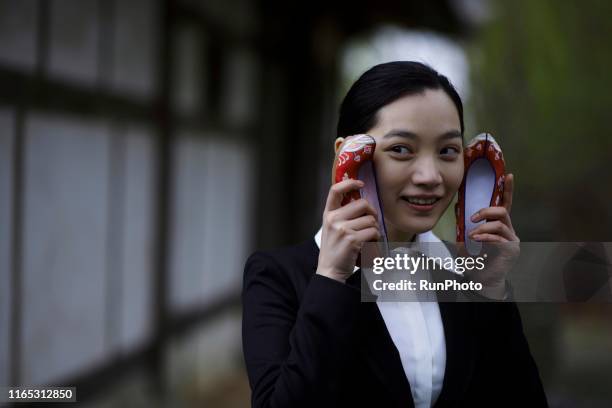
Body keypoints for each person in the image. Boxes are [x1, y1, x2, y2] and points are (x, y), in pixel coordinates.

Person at [241, 61, 548, 408]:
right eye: (402, 149)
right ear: (349, 156)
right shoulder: (278, 276)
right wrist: (332, 279)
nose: (430, 176)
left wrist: (494, 291)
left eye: (447, 150)